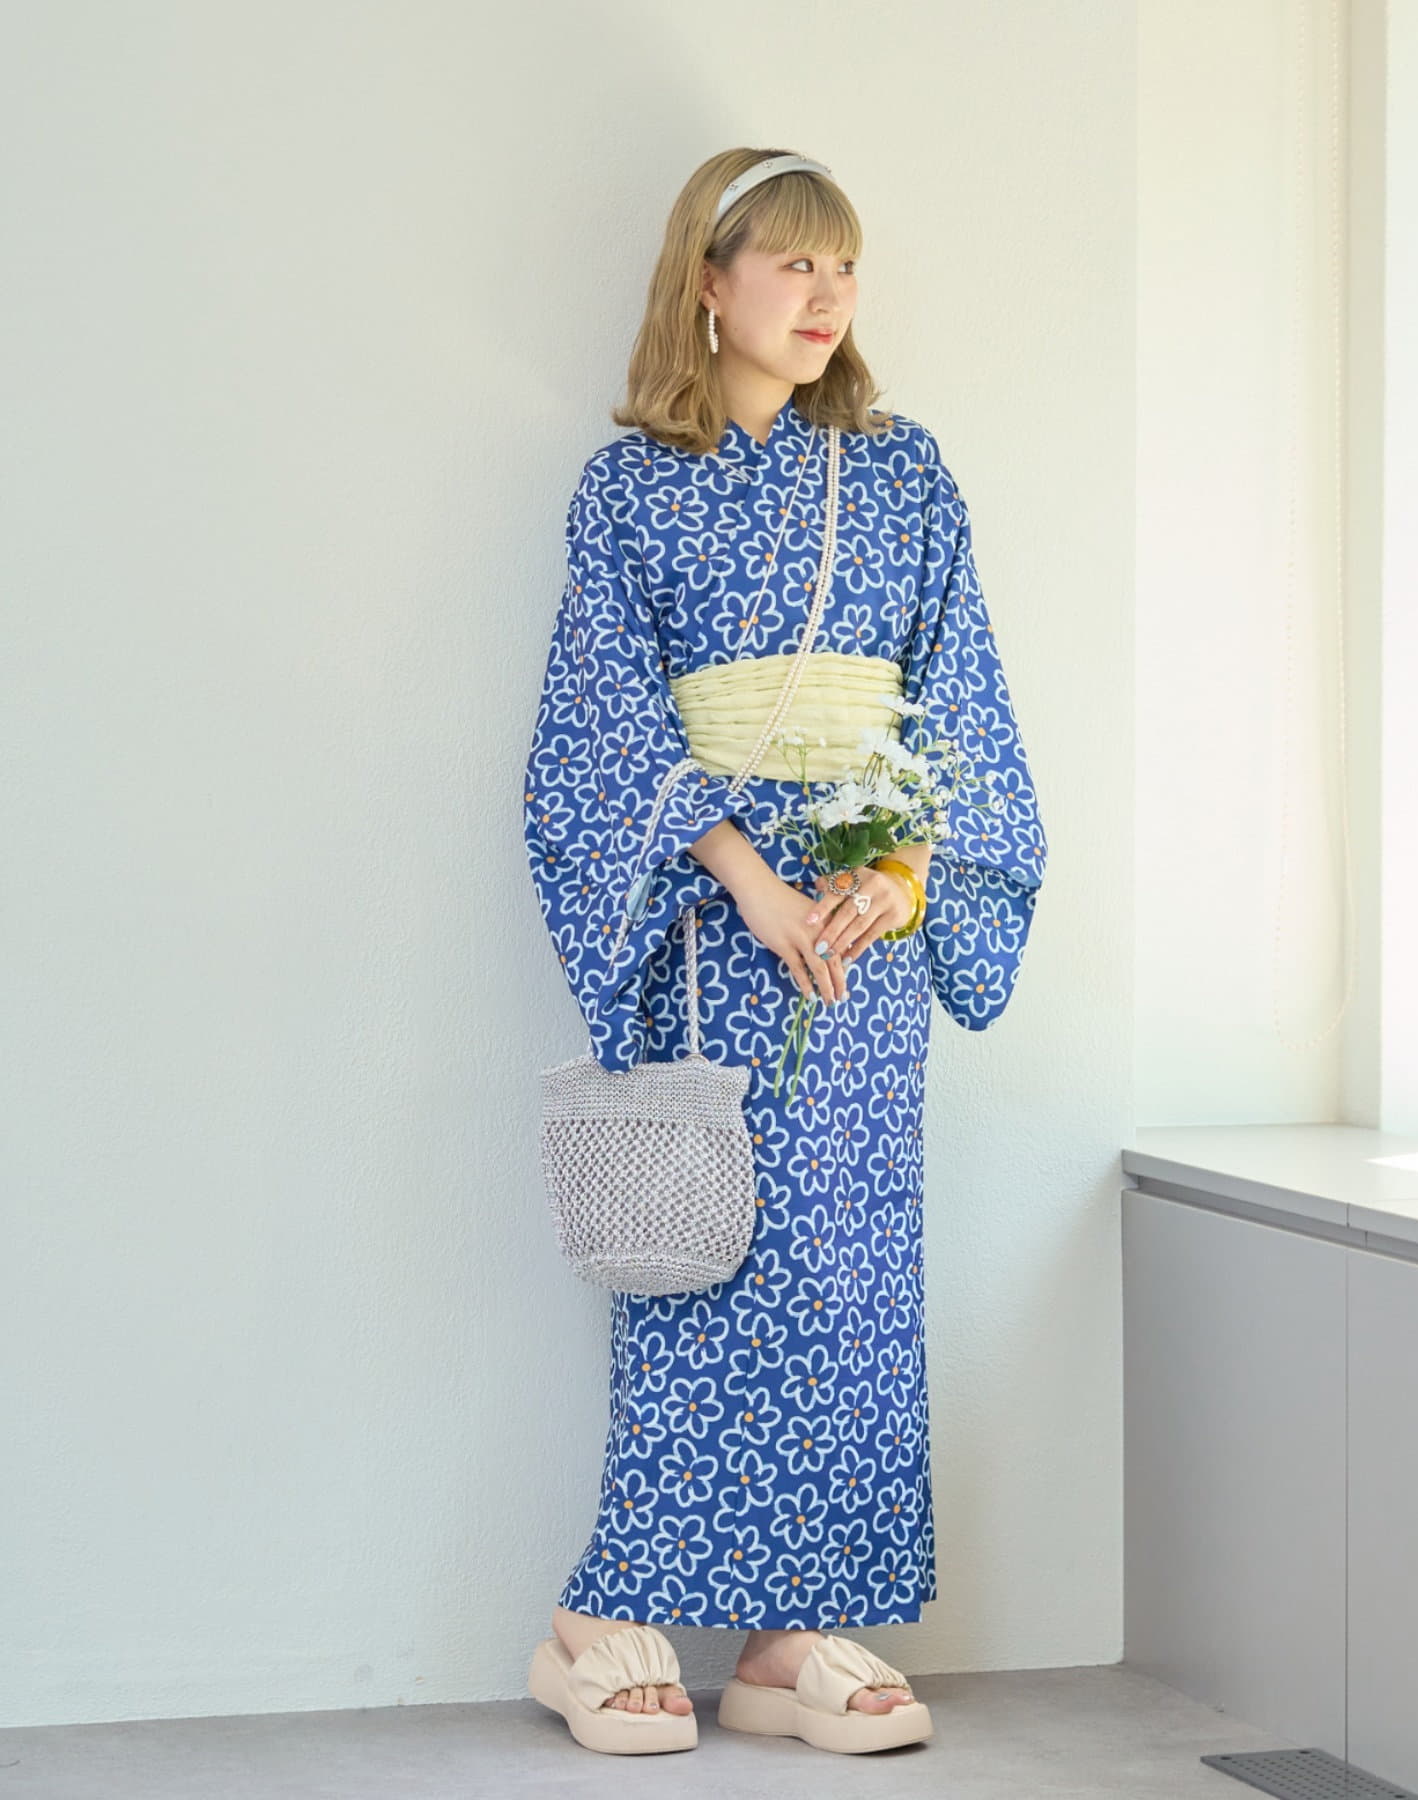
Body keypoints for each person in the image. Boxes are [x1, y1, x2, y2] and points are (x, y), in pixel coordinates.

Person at [520, 147, 1047, 1756]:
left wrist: (902, 870)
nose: (826, 298)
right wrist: (748, 881)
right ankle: (600, 1616)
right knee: (707, 1256)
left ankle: (787, 1638)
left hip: (864, 948)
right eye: (792, 264)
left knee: (849, 1276)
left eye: (843, 267)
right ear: (709, 280)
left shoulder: (902, 473)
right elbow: (603, 723)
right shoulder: (633, 488)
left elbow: (957, 696)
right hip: (713, 931)